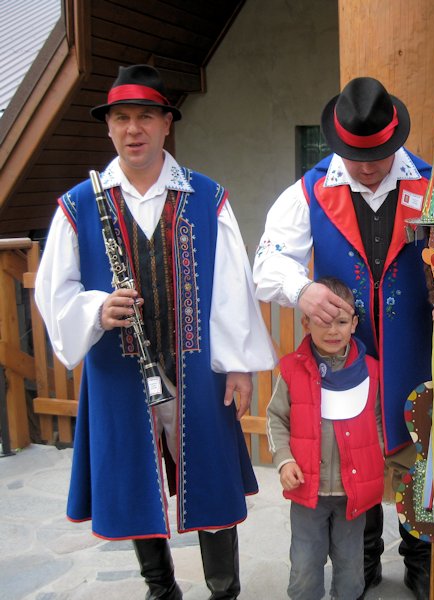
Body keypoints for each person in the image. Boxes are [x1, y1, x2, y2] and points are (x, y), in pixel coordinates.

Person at [34, 64, 276, 600]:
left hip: (198, 368)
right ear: (109, 128)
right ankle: (161, 589)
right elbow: (55, 294)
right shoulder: (78, 205)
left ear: (168, 124)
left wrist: (238, 364)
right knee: (134, 487)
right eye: (121, 118)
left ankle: (223, 591)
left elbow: (232, 287)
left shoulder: (207, 198)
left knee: (211, 483)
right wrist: (97, 309)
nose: (133, 129)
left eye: (146, 116)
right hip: (121, 372)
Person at [253, 76, 434, 600]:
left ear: (396, 139)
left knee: (423, 451)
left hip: (416, 351)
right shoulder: (310, 189)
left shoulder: (431, 184)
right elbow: (266, 265)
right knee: (350, 450)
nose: (368, 166)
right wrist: (303, 288)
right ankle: (364, 556)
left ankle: (422, 559)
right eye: (357, 156)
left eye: (379, 154)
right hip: (344, 354)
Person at [267, 276, 384, 600]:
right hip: (308, 493)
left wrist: (378, 458)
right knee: (305, 567)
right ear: (306, 322)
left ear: (354, 323)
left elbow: (379, 423)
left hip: (353, 495)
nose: (333, 331)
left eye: (342, 322)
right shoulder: (291, 370)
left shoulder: (372, 371)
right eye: (324, 322)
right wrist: (284, 461)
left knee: (351, 569)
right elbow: (275, 418)